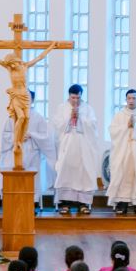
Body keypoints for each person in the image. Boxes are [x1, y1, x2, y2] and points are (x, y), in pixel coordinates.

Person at [0, 89, 57, 205]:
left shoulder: (38, 118)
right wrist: (17, 136)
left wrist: (32, 135)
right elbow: (6, 135)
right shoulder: (12, 117)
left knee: (32, 172)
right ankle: (12, 200)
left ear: (32, 101)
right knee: (10, 168)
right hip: (14, 152)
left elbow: (45, 136)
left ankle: (32, 202)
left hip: (32, 152)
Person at [53, 84, 101, 214]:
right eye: (73, 98)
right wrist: (69, 117)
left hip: (83, 144)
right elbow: (57, 124)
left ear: (81, 96)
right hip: (67, 142)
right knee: (66, 172)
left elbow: (93, 126)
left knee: (83, 173)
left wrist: (81, 118)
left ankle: (83, 204)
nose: (75, 100)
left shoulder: (87, 109)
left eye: (78, 98)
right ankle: (65, 204)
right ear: (69, 96)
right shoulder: (62, 108)